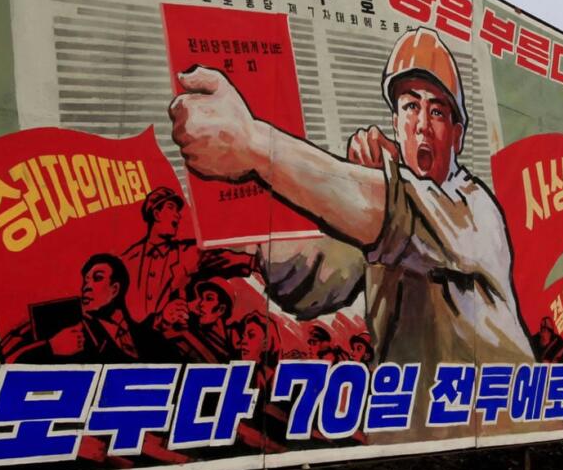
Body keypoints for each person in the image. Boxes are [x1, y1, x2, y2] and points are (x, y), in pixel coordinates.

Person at [168, 27, 534, 380]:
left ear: (456, 136)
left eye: (437, 111)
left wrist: (253, 144)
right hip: (409, 428)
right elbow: (312, 282)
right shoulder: (382, 213)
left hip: (507, 421)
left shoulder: (473, 209)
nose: (421, 124)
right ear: (395, 121)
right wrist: (239, 246)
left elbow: (398, 210)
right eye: (409, 106)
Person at [121, 186, 255, 325]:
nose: (178, 215)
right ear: (157, 214)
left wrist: (253, 262)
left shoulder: (186, 252)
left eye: (177, 210)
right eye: (171, 207)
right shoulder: (127, 260)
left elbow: (221, 258)